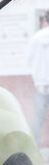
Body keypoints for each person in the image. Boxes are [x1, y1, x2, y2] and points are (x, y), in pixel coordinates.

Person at [29, 11, 49, 146]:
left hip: (42, 84)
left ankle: (34, 149)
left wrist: (36, 77)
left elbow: (29, 60)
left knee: (37, 119)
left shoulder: (36, 37)